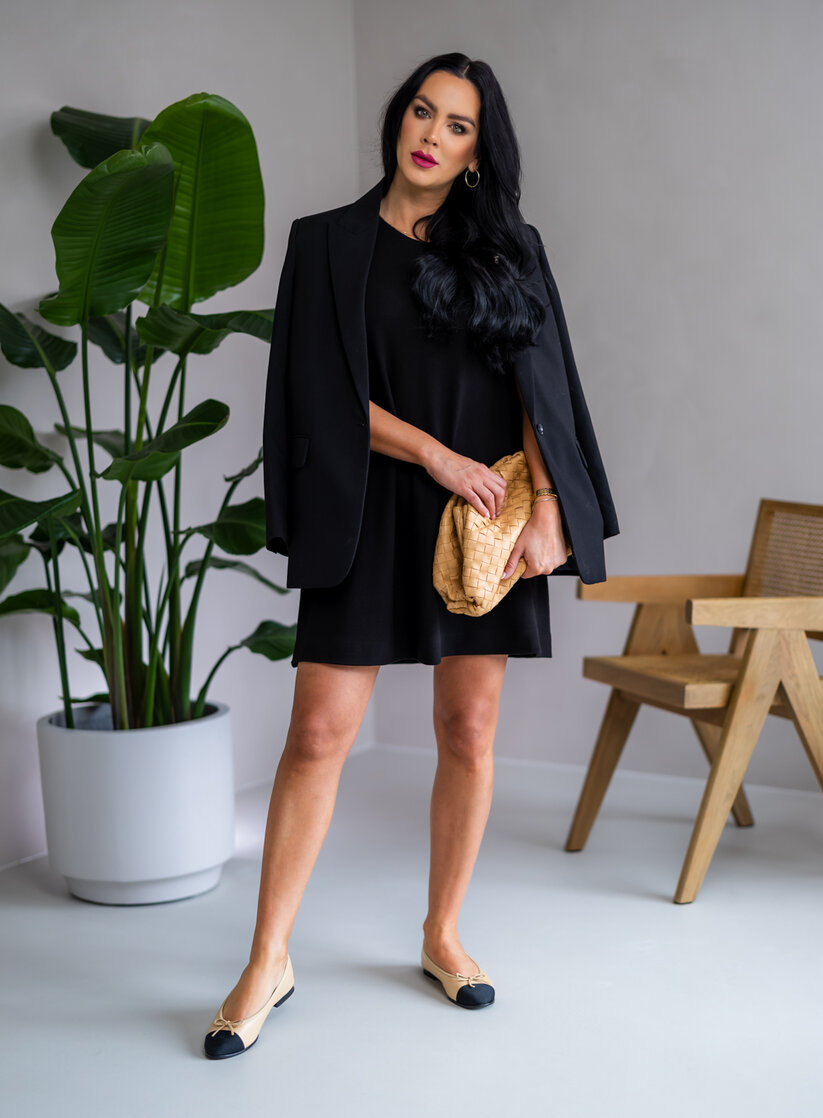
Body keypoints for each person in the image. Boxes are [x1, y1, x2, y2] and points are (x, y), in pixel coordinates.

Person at [204, 51, 618, 1060]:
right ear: (399, 118)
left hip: (482, 518)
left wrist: (547, 508)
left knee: (467, 729)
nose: (431, 135)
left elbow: (541, 386)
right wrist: (434, 454)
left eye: (457, 125)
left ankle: (442, 933)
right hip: (368, 501)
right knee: (316, 736)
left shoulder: (509, 247)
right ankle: (267, 959)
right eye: (422, 112)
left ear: (477, 152)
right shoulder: (327, 243)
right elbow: (315, 392)